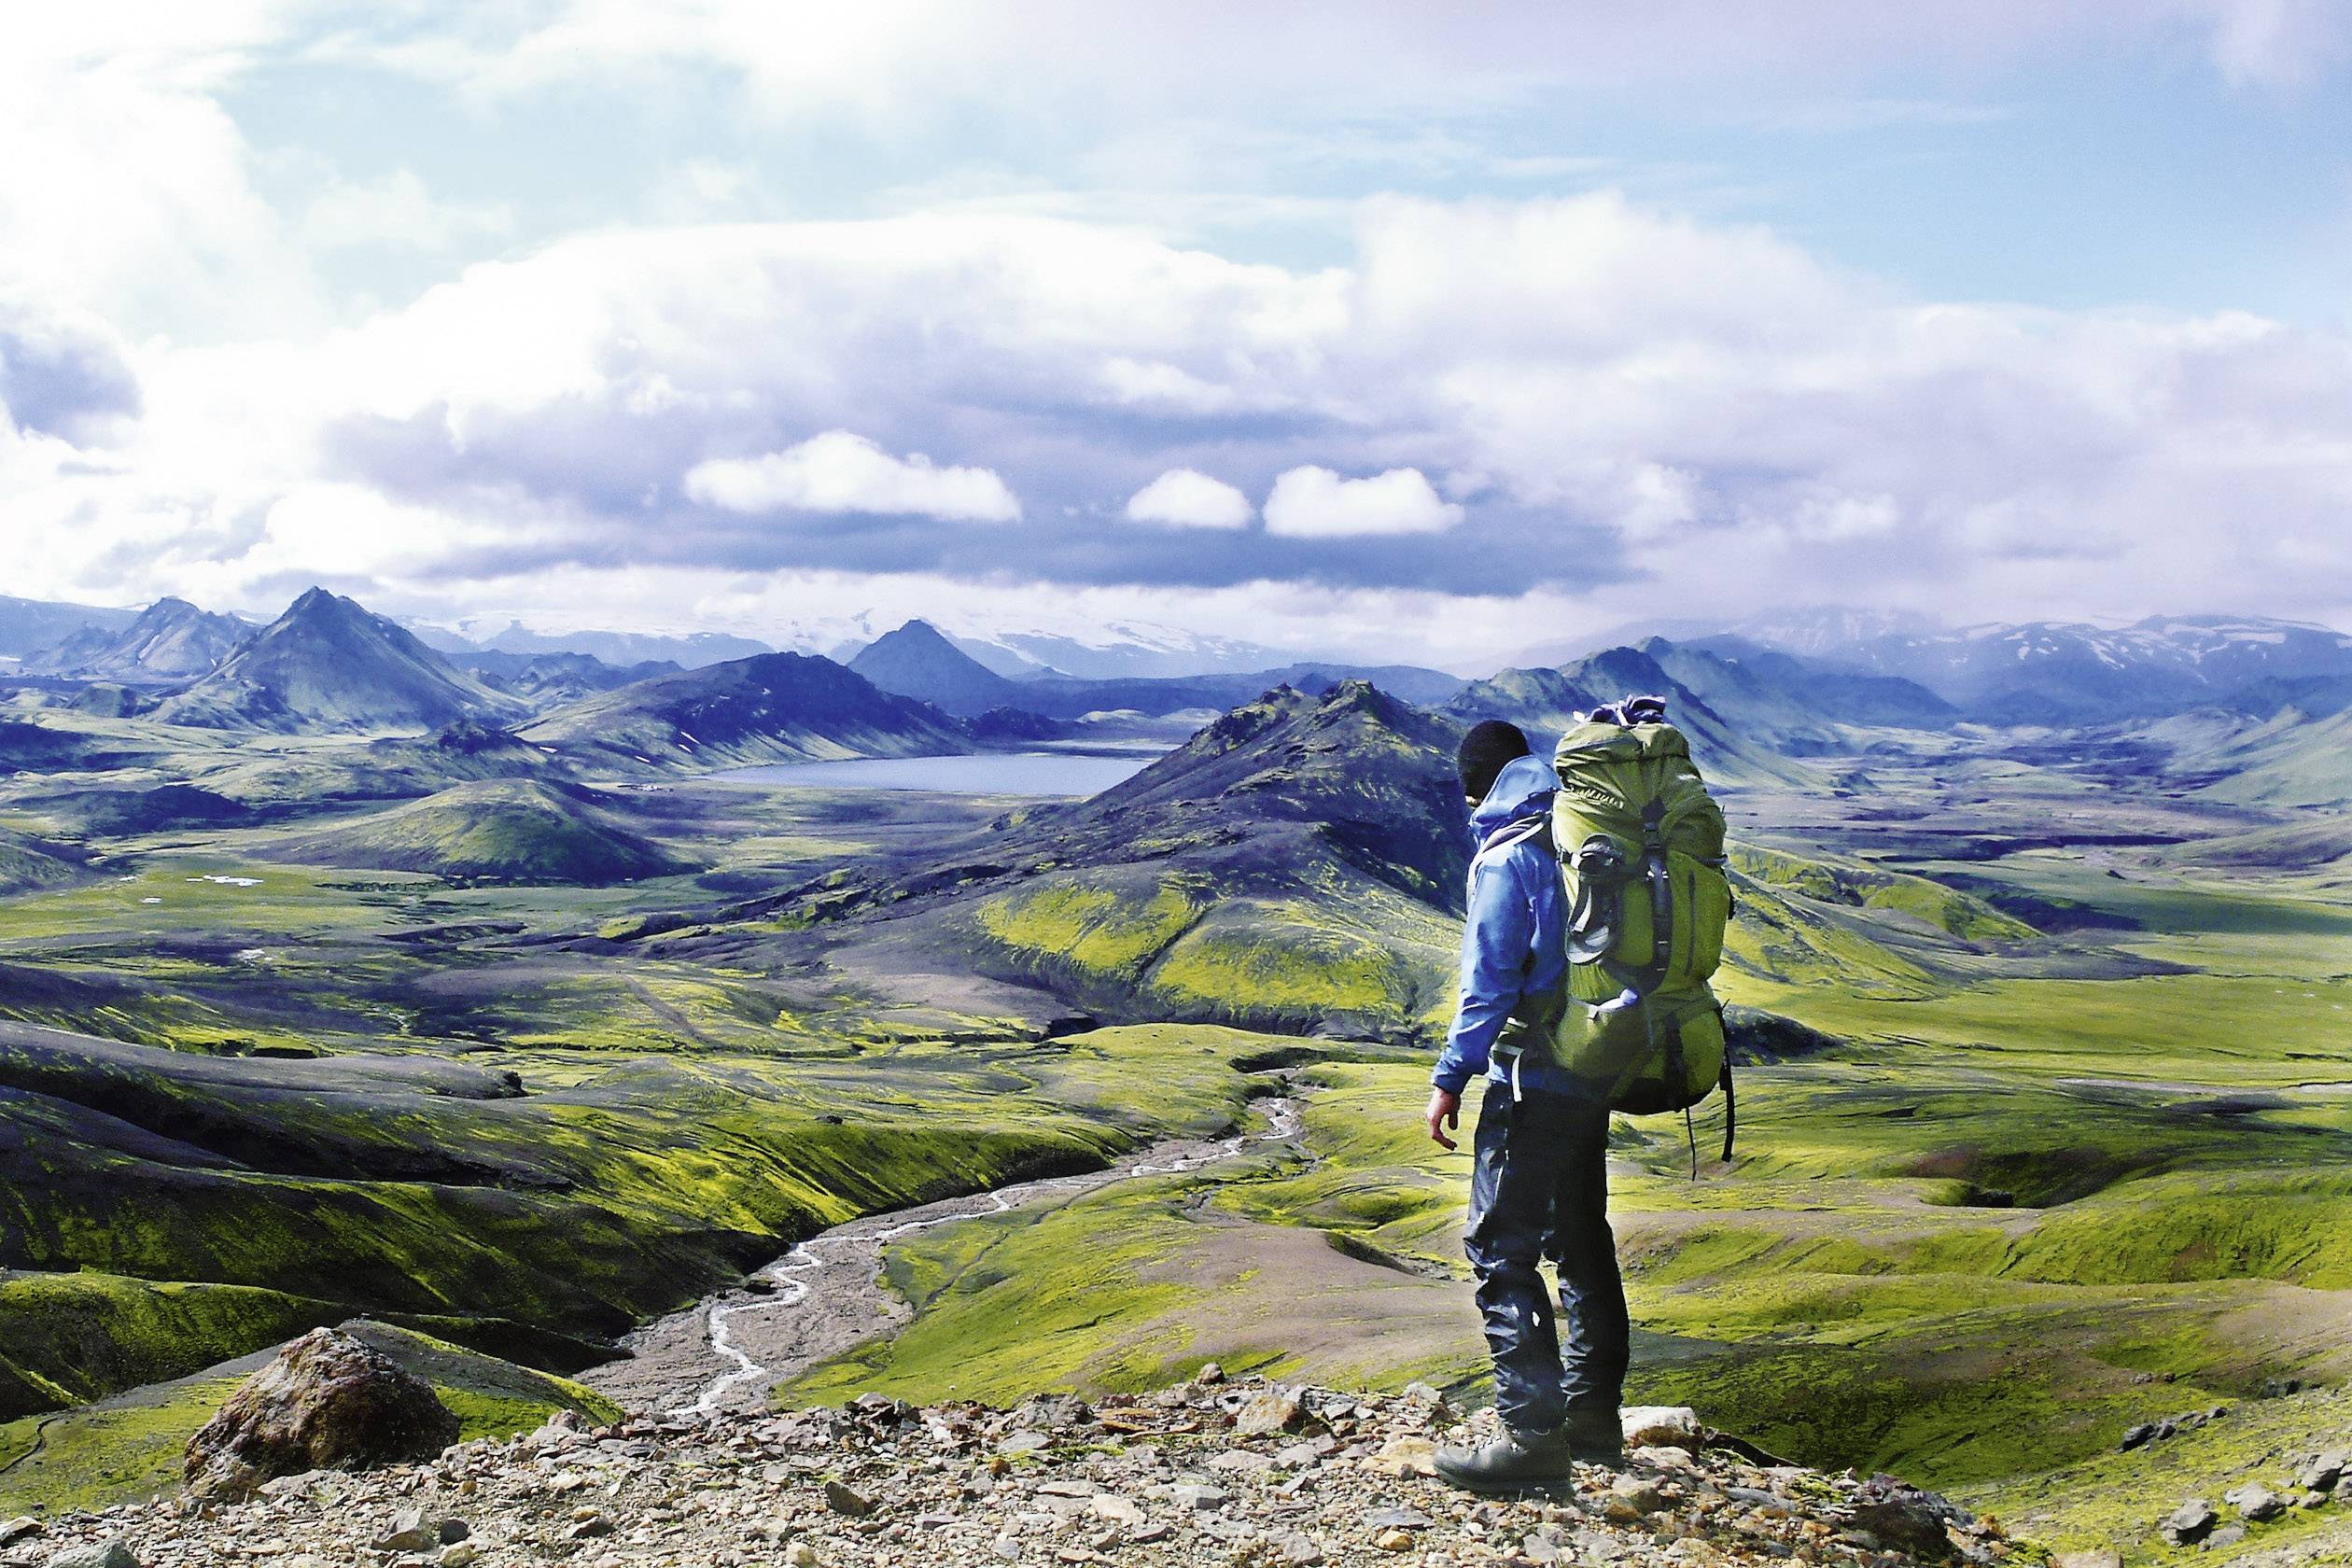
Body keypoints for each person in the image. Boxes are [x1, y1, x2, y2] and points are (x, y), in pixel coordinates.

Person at [1425, 720, 1629, 1491]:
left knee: (1499, 1246)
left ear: (1474, 785)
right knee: (1581, 1238)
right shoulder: (1579, 834)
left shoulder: (1511, 855)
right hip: (1592, 1066)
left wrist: (1451, 1077)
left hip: (1530, 1079)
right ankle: (1593, 1423)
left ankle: (1531, 1437)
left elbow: (1490, 982)